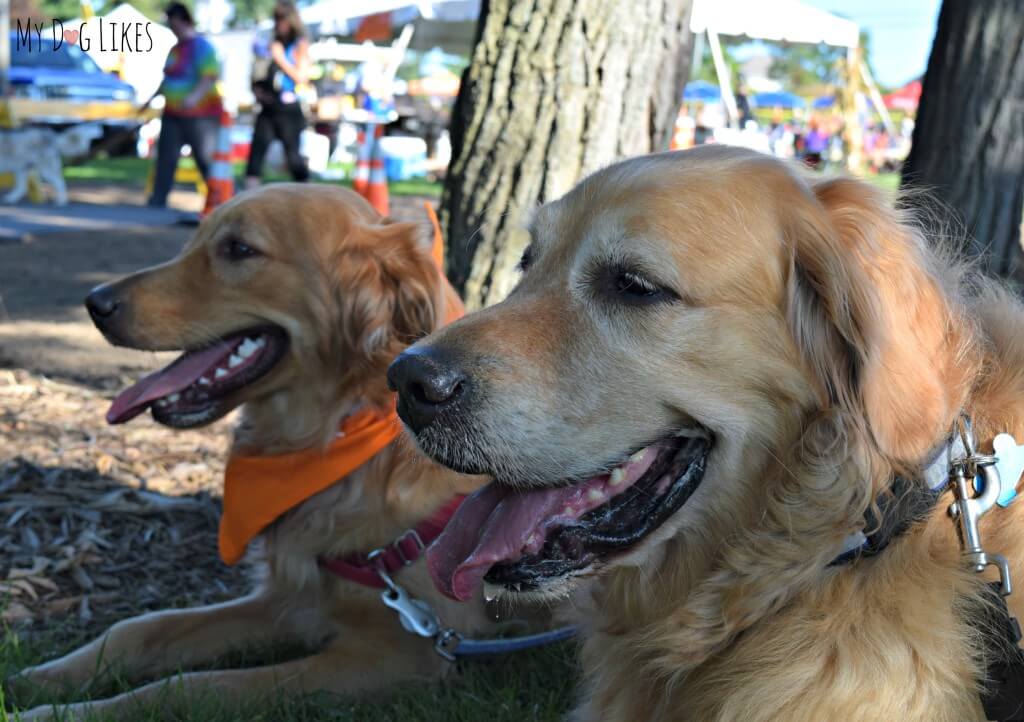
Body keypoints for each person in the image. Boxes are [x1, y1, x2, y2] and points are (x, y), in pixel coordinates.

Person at [145, 2, 224, 208]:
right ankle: (158, 199)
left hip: (201, 116)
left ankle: (220, 200)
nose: (172, 28)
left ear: (183, 21)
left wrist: (193, 98)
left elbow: (209, 77)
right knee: (166, 158)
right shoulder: (175, 50)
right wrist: (151, 99)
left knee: (206, 160)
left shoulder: (202, 47)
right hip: (173, 113)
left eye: (173, 23)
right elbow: (168, 79)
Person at [244, 1, 310, 188]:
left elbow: (301, 77)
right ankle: (250, 202)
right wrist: (257, 91)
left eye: (282, 20)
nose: (279, 24)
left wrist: (280, 58)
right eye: (276, 20)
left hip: (289, 111)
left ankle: (309, 199)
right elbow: (259, 73)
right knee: (254, 158)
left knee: (294, 159)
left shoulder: (299, 45)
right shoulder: (271, 44)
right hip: (268, 108)